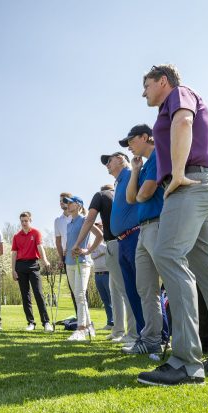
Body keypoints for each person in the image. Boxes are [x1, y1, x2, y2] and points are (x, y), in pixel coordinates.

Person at [137, 64, 208, 386]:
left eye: (146, 85)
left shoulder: (179, 95)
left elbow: (185, 121)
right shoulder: (170, 102)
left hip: (188, 186)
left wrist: (177, 173)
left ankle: (186, 363)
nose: (143, 92)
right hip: (200, 186)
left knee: (169, 257)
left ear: (162, 81)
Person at [121, 124, 168, 355]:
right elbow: (132, 198)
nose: (129, 146)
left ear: (145, 137)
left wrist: (141, 192)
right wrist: (136, 170)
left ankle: (181, 338)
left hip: (159, 226)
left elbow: (146, 193)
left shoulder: (159, 154)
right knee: (146, 289)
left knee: (171, 285)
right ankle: (150, 341)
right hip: (143, 230)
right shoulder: (144, 164)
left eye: (131, 141)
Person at [72, 183, 137, 343]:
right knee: (115, 292)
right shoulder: (119, 196)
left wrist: (78, 244)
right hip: (120, 242)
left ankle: (133, 333)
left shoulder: (102, 196)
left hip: (115, 243)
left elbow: (89, 222)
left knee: (123, 290)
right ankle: (118, 330)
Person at [102, 151, 146, 343]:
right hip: (123, 239)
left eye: (109, 161)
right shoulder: (119, 182)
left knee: (140, 288)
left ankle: (144, 334)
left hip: (134, 235)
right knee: (130, 289)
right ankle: (136, 334)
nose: (107, 165)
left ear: (121, 160)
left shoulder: (129, 174)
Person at [64, 196, 103, 341]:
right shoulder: (69, 223)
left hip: (82, 262)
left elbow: (99, 235)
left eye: (71, 202)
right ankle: (88, 326)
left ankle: (81, 329)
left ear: (79, 205)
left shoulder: (84, 219)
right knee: (78, 296)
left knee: (80, 295)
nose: (67, 205)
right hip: (70, 262)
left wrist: (88, 250)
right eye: (67, 202)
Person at [11, 211, 53, 332]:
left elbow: (40, 247)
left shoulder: (36, 233)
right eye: (22, 221)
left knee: (38, 294)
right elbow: (14, 254)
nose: (24, 223)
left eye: (26, 221)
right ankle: (31, 323)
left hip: (33, 264)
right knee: (25, 296)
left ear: (30, 221)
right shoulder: (16, 236)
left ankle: (46, 322)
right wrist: (13, 270)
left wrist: (45, 260)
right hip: (20, 267)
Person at [54, 192, 78, 314]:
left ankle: (86, 320)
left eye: (64, 200)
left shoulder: (78, 216)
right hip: (66, 256)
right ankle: (80, 319)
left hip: (79, 255)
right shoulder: (58, 221)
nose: (61, 202)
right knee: (73, 289)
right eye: (60, 201)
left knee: (81, 290)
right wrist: (60, 258)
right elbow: (58, 242)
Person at [90, 222, 113, 330]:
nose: (98, 228)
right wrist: (100, 251)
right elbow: (92, 255)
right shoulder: (92, 243)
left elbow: (107, 250)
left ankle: (117, 323)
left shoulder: (108, 240)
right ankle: (110, 322)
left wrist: (98, 249)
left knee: (112, 299)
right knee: (105, 300)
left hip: (107, 273)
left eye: (99, 226)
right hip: (97, 273)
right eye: (97, 226)